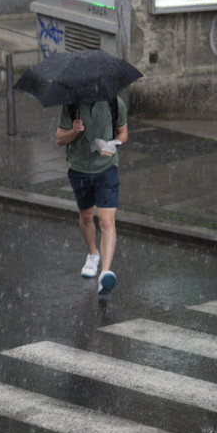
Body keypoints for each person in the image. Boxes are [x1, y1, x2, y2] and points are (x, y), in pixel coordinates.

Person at [56, 96, 128, 295]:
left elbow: (123, 133)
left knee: (106, 221)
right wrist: (74, 131)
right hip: (79, 169)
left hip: (107, 169)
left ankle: (105, 273)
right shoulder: (72, 105)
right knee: (87, 216)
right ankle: (93, 254)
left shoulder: (115, 103)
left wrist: (113, 143)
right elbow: (59, 138)